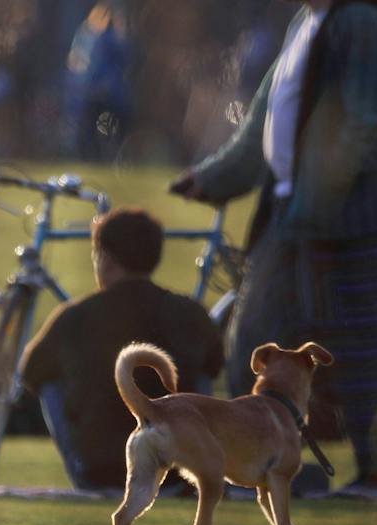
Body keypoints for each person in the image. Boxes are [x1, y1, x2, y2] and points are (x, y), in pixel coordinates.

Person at [169, 0, 377, 491]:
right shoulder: (305, 23)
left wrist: (321, 201)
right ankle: (256, 464)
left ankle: (376, 471)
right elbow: (265, 121)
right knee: (256, 339)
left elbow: (366, 123)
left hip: (348, 219)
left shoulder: (361, 23)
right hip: (291, 215)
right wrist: (214, 178)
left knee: (359, 344)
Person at [18, 207, 223, 490]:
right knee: (200, 373)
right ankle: (199, 464)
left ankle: (83, 469)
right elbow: (215, 364)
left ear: (106, 259)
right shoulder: (190, 312)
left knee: (49, 379)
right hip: (176, 471)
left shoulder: (75, 316)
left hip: (101, 471)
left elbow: (30, 372)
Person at [63, 0, 134, 162]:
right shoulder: (86, 35)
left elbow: (122, 60)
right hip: (91, 91)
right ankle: (91, 156)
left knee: (107, 127)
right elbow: (76, 62)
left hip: (107, 93)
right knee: (90, 127)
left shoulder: (111, 38)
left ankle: (106, 156)